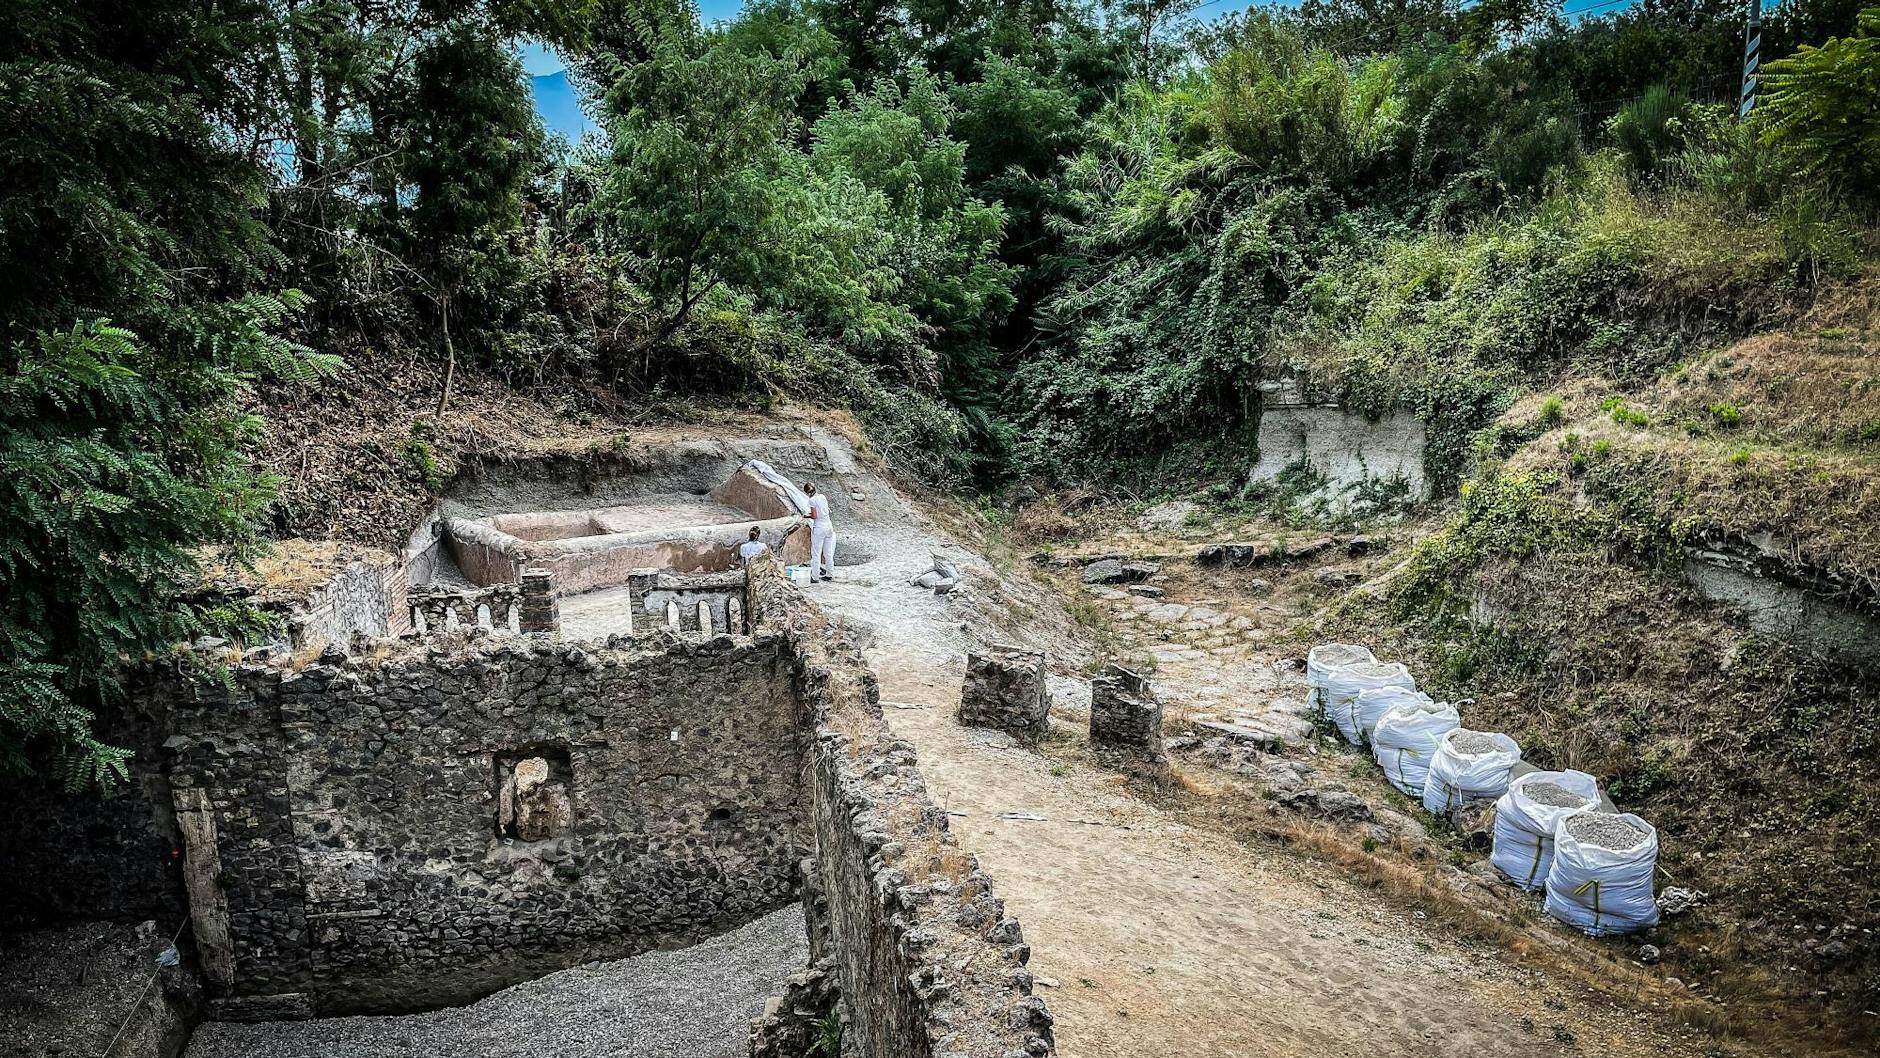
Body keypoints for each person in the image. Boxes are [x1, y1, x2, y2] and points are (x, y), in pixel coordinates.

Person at [804, 481, 835, 582]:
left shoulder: (812, 500)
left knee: (816, 553)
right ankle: (829, 574)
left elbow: (814, 516)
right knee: (828, 553)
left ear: (807, 492)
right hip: (828, 525)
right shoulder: (822, 496)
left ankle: (815, 577)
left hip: (819, 527)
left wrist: (806, 515)